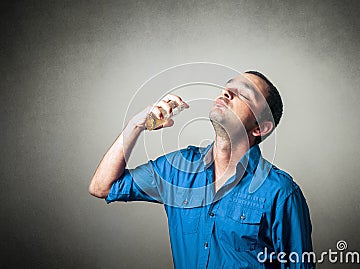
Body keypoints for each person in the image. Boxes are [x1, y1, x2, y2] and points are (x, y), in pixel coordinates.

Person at [89, 71, 315, 268]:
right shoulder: (177, 170)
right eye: (228, 87)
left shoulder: (281, 193)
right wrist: (136, 125)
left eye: (244, 94)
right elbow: (103, 187)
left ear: (260, 127)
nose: (227, 93)